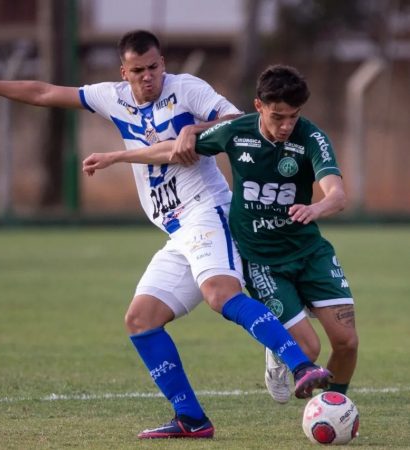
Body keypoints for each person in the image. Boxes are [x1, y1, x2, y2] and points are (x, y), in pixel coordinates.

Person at [0, 32, 331, 439]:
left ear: (162, 63)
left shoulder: (186, 88)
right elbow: (45, 91)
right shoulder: (111, 96)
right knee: (141, 319)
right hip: (176, 231)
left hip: (208, 212)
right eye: (138, 71)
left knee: (220, 294)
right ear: (125, 72)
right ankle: (192, 419)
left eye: (154, 67)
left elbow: (240, 121)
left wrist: (194, 129)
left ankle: (302, 365)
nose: (148, 77)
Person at [88, 64, 358, 407]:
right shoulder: (237, 131)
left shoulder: (311, 137)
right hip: (262, 259)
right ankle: (285, 358)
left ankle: (333, 410)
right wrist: (117, 156)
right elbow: (172, 150)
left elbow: (337, 194)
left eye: (293, 116)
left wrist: (316, 209)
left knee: (347, 342)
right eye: (278, 117)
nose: (287, 125)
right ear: (258, 106)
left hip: (309, 250)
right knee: (308, 348)